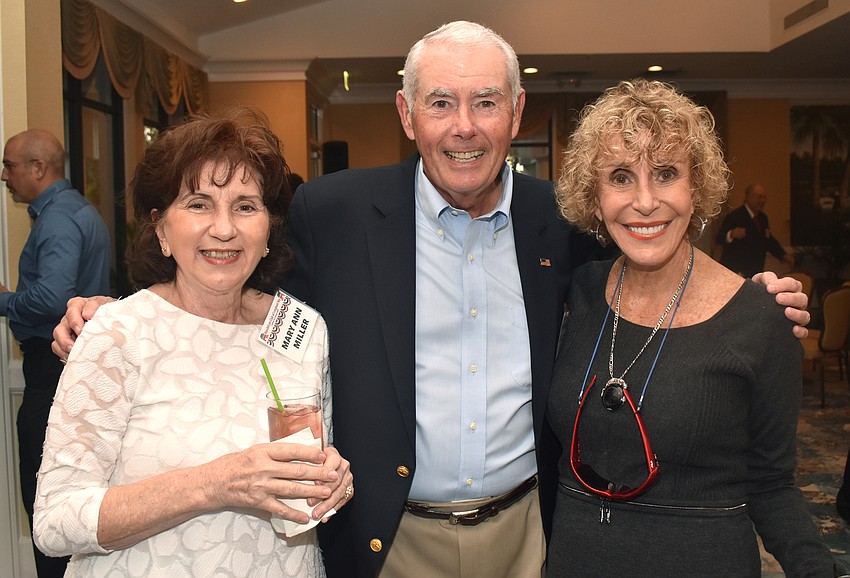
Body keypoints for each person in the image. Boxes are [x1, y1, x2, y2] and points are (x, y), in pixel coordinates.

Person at [53, 23, 812, 578]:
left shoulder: (567, 219)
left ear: (516, 112)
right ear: (406, 112)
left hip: (532, 535)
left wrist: (750, 296)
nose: (464, 127)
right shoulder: (335, 212)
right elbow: (234, 282)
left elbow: (651, 265)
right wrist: (120, 309)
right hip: (388, 539)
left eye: (486, 102)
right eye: (441, 102)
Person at [33, 109, 353, 577]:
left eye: (245, 206)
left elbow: (311, 462)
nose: (224, 228)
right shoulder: (117, 332)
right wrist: (216, 483)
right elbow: (55, 522)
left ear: (268, 230)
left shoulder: (303, 328)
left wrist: (332, 481)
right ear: (162, 229)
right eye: (199, 204)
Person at [547, 79, 837, 577]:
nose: (643, 201)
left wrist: (814, 567)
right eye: (620, 176)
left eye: (665, 174)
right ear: (594, 198)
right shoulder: (581, 291)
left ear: (696, 187)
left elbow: (772, 485)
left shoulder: (762, 318)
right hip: (575, 561)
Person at [0, 128, 111, 577]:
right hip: (72, 365)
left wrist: (4, 300)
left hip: (54, 368)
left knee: (48, 502)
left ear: (37, 168)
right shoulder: (75, 209)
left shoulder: (59, 217)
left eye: (9, 166)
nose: (5, 176)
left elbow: (51, 298)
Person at [716, 183, 794, 278]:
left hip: (756, 271)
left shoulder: (763, 218)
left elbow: (768, 240)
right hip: (736, 272)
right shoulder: (735, 216)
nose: (763, 201)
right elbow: (719, 237)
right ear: (749, 197)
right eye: (760, 197)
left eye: (764, 197)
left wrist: (783, 255)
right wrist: (732, 234)